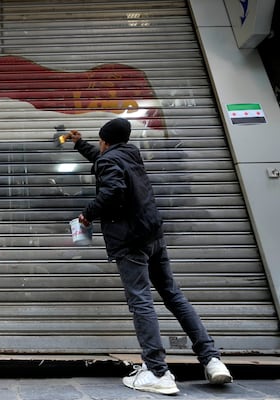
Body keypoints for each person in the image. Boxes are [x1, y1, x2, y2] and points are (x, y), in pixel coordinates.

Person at [63, 118, 233, 395]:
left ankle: (157, 371)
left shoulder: (110, 161)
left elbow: (112, 188)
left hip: (130, 241)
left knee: (141, 300)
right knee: (173, 296)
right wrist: (80, 144)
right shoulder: (130, 154)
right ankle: (212, 359)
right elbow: (105, 162)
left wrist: (87, 213)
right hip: (153, 236)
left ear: (104, 141)